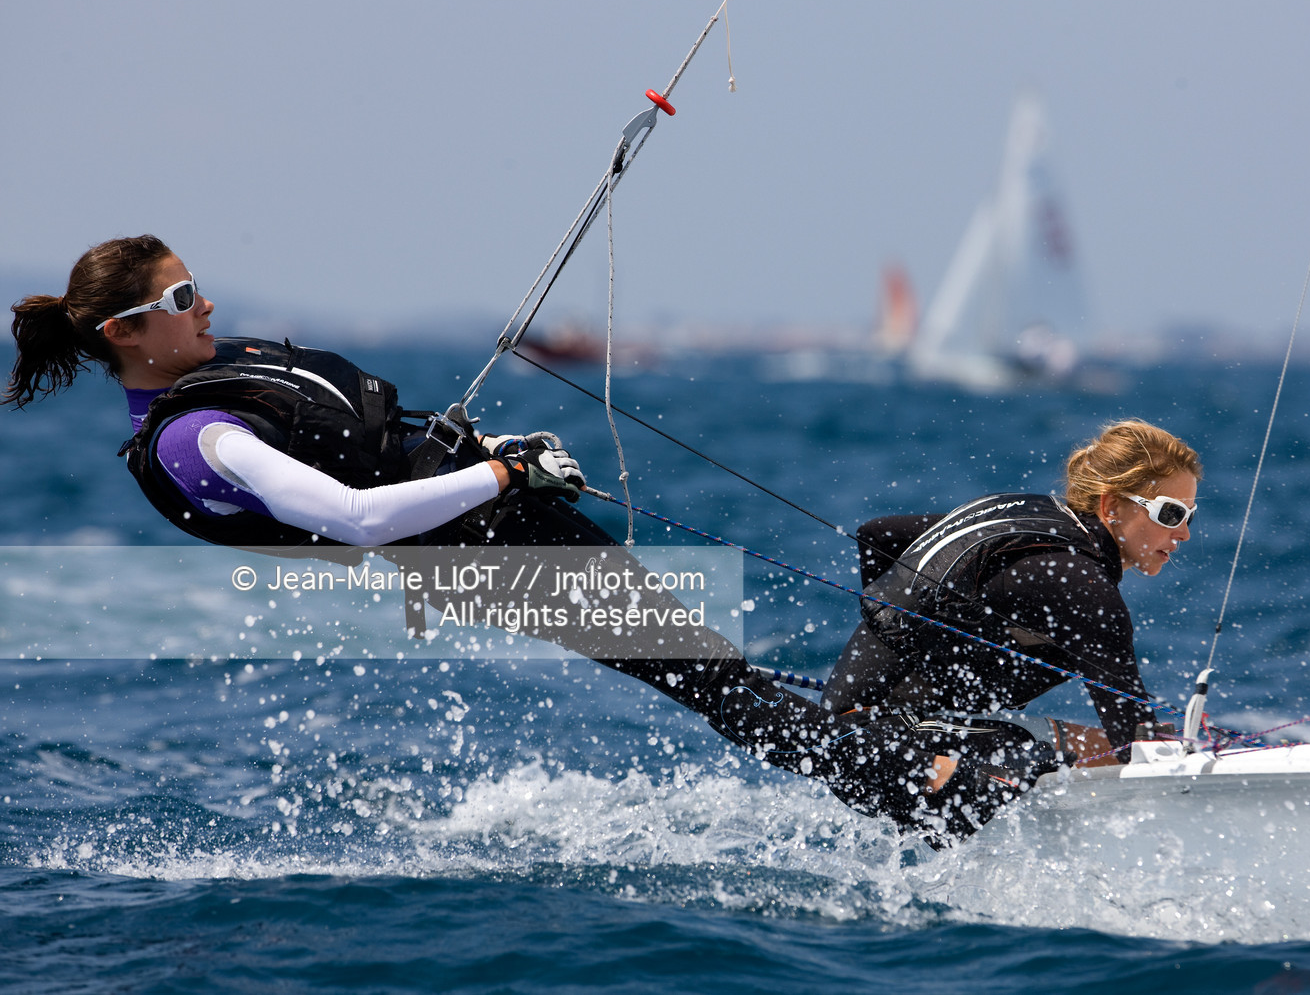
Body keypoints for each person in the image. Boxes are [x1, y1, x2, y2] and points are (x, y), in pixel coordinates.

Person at [6, 234, 1057, 846]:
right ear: (124, 334)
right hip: (479, 550)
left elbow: (382, 454)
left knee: (718, 672)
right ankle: (938, 791)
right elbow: (355, 518)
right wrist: (503, 474)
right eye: (181, 298)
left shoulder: (212, 371)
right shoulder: (195, 437)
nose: (207, 305)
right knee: (718, 686)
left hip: (494, 520)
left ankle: (929, 765)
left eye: (197, 286)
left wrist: (492, 461)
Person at [822, 419, 1200, 765]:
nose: (1183, 533)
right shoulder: (1086, 589)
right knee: (1035, 751)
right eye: (1170, 514)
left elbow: (879, 534)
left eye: (1189, 515)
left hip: (857, 728)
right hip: (874, 747)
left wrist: (897, 666)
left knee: (1065, 742)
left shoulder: (1032, 528)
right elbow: (1136, 746)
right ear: (1112, 505)